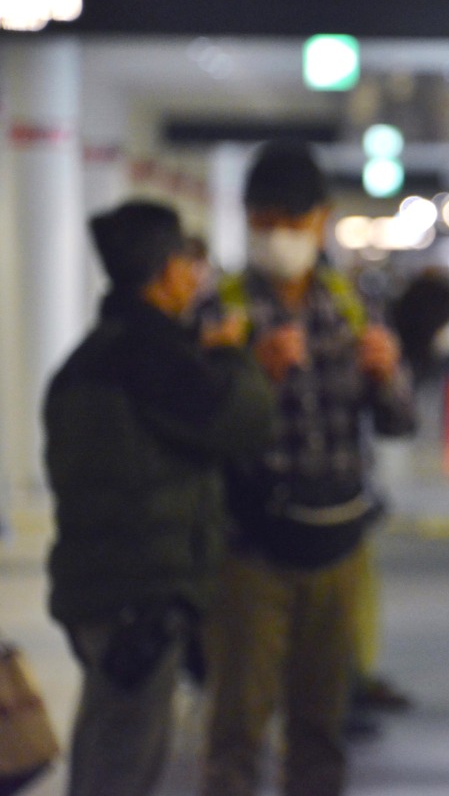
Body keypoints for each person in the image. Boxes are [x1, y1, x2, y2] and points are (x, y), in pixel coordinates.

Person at [202, 140, 415, 796]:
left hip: (337, 538)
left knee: (322, 722)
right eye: (266, 222)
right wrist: (249, 373)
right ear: (246, 220)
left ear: (321, 220)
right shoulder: (221, 310)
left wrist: (387, 376)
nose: (281, 236)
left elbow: (397, 422)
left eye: (294, 222)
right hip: (250, 546)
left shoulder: (350, 304)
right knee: (240, 719)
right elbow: (200, 429)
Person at [42, 200, 276, 796]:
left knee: (105, 746)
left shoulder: (86, 358)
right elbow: (240, 423)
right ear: (166, 271)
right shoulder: (153, 355)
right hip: (142, 593)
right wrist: (231, 354)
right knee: (124, 761)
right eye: (189, 264)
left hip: (96, 587)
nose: (196, 278)